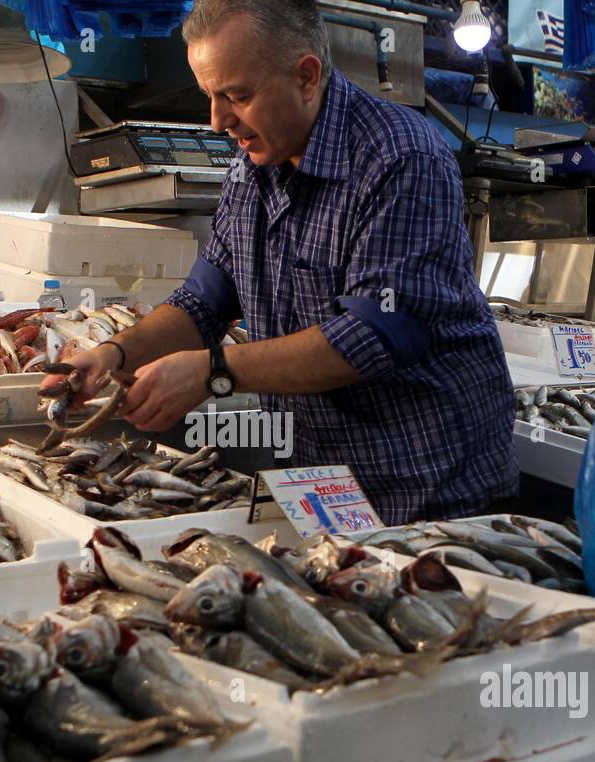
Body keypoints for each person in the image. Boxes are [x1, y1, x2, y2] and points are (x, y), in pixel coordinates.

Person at [42, 0, 518, 525]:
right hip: (320, 482)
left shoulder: (401, 157)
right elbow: (203, 301)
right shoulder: (253, 168)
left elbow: (371, 339)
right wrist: (114, 353)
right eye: (210, 96)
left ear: (307, 76)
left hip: (428, 482)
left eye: (237, 96)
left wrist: (214, 372)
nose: (219, 120)